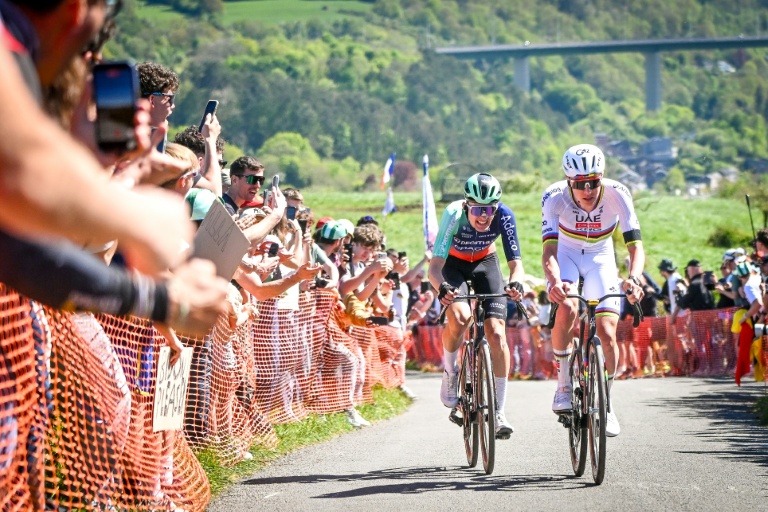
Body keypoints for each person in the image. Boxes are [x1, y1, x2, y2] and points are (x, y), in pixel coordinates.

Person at [541, 144, 644, 438]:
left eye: (593, 182)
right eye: (579, 184)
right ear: (568, 181)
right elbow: (548, 250)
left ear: (602, 177)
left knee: (608, 331)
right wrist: (554, 281)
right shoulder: (553, 197)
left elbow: (635, 246)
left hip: (601, 257)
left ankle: (606, 403)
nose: (587, 190)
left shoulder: (618, 194)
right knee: (569, 307)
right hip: (567, 255)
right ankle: (562, 384)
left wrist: (634, 279)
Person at [429, 172, 525, 439]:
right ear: (466, 205)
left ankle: (499, 411)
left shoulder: (504, 215)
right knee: (460, 318)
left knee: (496, 333)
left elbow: (516, 265)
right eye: (478, 209)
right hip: (453, 265)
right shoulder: (453, 214)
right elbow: (434, 269)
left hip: (486, 262)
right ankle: (450, 371)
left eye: (490, 209)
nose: (484, 216)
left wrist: (516, 283)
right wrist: (443, 288)